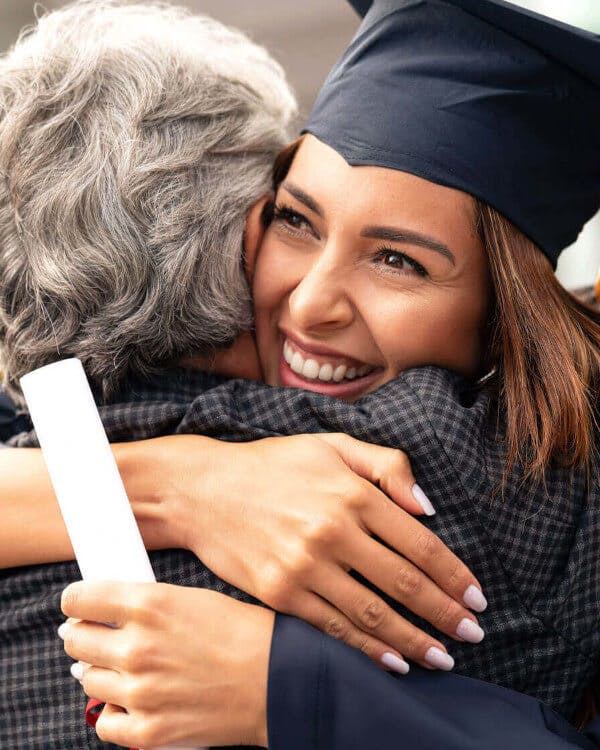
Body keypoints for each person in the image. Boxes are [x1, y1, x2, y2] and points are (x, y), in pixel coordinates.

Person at [1, 0, 599, 748]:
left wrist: (284, 684)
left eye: (397, 260)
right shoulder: (125, 418)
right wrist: (179, 485)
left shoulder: (528, 481)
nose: (311, 305)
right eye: (295, 221)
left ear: (504, 317)